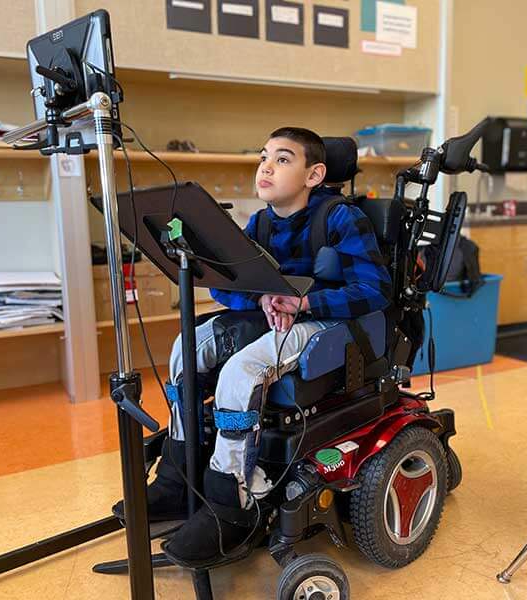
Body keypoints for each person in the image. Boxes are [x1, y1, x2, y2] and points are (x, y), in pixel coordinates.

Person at [154, 127, 392, 566]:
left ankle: (231, 502)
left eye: (282, 159)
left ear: (314, 174)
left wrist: (305, 302)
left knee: (240, 372)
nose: (266, 166)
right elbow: (227, 287)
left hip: (327, 321)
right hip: (271, 314)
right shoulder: (258, 223)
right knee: (186, 348)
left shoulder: (341, 218)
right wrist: (261, 297)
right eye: (264, 157)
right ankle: (178, 473)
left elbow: (376, 290)